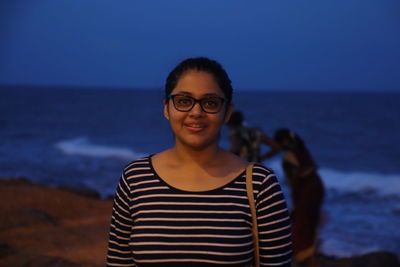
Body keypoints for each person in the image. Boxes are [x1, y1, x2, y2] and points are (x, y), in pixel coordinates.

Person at [106, 57, 292, 266]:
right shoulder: (135, 178)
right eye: (184, 101)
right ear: (167, 108)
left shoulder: (260, 184)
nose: (196, 113)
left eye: (210, 103)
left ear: (227, 113)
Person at [273, 129, 325, 267]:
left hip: (306, 188)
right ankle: (309, 253)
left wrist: (295, 192)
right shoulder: (302, 150)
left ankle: (302, 255)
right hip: (317, 184)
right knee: (309, 220)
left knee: (301, 221)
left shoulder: (289, 156)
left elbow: (294, 177)